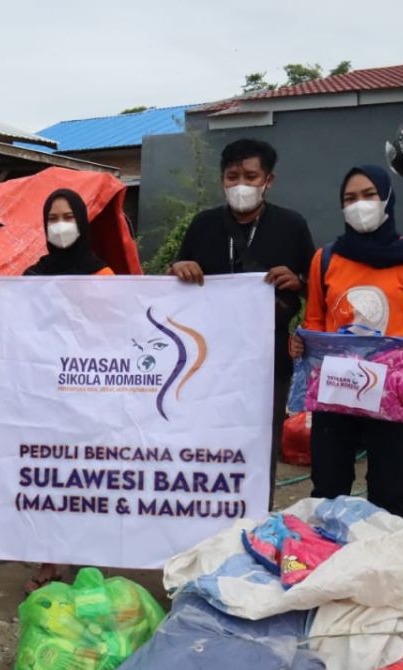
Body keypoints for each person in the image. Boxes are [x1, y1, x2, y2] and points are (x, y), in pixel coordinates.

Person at [289, 164, 403, 518]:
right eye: (350, 198)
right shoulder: (325, 260)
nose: (360, 204)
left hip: (393, 391)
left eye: (369, 195)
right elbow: (313, 321)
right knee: (328, 485)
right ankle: (327, 558)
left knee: (389, 490)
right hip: (336, 387)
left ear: (387, 198)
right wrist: (299, 344)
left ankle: (383, 563)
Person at [169, 139, 315, 507]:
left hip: (268, 364)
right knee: (202, 442)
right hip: (205, 363)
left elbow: (319, 290)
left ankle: (254, 520)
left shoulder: (292, 226)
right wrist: (177, 270)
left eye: (251, 176)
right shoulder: (203, 226)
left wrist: (299, 281)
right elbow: (172, 285)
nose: (241, 185)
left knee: (259, 446)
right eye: (232, 176)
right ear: (222, 180)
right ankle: (200, 519)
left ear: (269, 180)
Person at [0, 188, 114, 594]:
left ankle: (90, 558)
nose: (60, 226)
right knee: (50, 473)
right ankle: (49, 558)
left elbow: (115, 330)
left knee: (90, 473)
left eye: (67, 217)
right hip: (44, 395)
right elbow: (17, 332)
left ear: (81, 221)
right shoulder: (32, 278)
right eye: (52, 218)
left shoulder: (103, 275)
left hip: (90, 392)